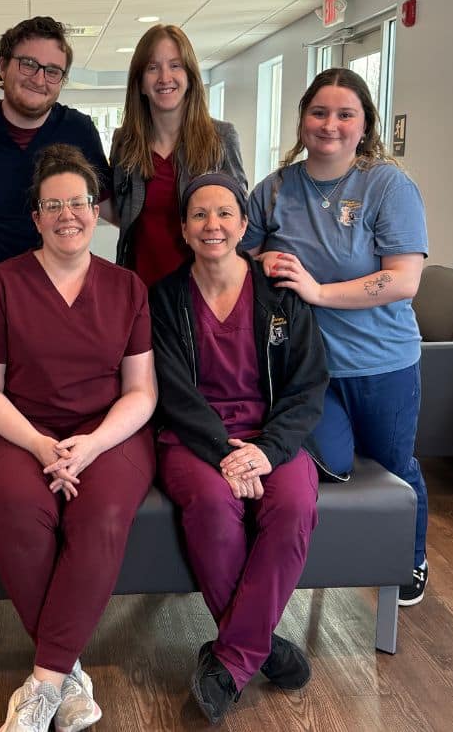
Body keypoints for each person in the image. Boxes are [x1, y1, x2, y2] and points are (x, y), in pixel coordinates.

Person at [0, 145, 157, 732]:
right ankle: (67, 673)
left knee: (99, 518)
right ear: (36, 216)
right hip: (15, 430)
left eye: (78, 202)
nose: (67, 214)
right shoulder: (4, 282)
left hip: (108, 434)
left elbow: (142, 391)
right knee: (21, 509)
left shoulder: (127, 287)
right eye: (54, 205)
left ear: (96, 211)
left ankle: (43, 680)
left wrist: (93, 444)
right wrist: (41, 446)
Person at [150, 173, 329, 724]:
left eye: (224, 214)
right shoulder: (164, 299)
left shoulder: (280, 296)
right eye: (199, 215)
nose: (213, 225)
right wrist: (224, 452)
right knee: (209, 504)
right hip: (193, 439)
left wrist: (268, 451)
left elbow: (307, 386)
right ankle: (262, 646)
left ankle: (231, 658)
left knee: (295, 505)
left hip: (271, 438)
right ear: (183, 229)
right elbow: (172, 391)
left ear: (244, 225)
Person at [248, 67, 429, 606]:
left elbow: (403, 279)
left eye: (345, 114)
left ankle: (409, 557)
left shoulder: (386, 185)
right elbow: (237, 255)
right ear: (302, 119)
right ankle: (337, 551)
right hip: (308, 368)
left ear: (364, 123)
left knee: (395, 464)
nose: (330, 124)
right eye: (318, 112)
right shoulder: (276, 187)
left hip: (381, 361)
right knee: (332, 466)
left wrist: (318, 291)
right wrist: (263, 260)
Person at [0, 16, 112, 426]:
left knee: (63, 422)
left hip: (63, 312)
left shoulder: (79, 131)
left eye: (53, 70)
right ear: (2, 65)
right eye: (27, 64)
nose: (39, 78)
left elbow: (106, 206)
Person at [111, 24, 249, 287]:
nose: (165, 77)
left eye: (175, 65)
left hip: (205, 289)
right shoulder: (124, 142)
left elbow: (239, 217)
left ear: (190, 76)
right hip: (141, 288)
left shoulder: (221, 137)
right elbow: (122, 210)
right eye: (152, 68)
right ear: (139, 82)